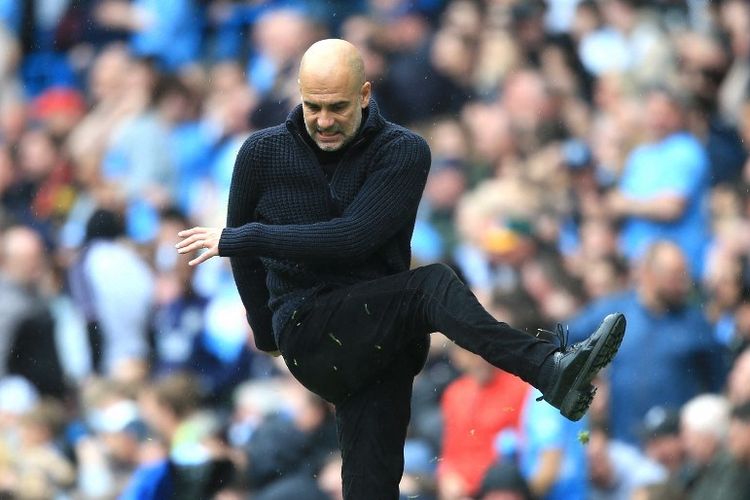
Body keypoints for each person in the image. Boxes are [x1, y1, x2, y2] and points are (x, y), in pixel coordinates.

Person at [175, 39, 627, 499]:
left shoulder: (404, 151)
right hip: (309, 329)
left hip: (383, 341)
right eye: (313, 106)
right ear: (298, 94)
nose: (324, 121)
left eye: (337, 107)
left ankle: (554, 374)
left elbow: (352, 237)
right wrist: (265, 333)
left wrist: (243, 236)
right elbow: (248, 268)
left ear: (366, 95)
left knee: (372, 486)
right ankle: (550, 371)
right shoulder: (260, 152)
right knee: (429, 285)